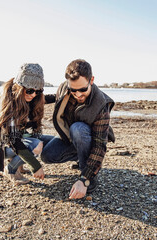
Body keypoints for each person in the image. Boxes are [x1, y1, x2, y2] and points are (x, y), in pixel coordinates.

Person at [41, 59, 115, 199]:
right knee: (46, 156)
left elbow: (100, 146)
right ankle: (81, 158)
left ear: (91, 80)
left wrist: (84, 179)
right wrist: (29, 98)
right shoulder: (64, 88)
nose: (78, 94)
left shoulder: (101, 105)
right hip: (70, 136)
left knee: (78, 129)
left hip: (90, 139)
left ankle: (89, 172)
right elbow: (54, 98)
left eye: (82, 89)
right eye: (73, 90)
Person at [0, 63, 54, 185]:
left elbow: (45, 99)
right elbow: (13, 140)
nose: (33, 95)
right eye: (30, 90)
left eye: (38, 91)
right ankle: (10, 169)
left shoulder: (31, 96)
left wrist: (64, 94)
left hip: (20, 137)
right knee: (37, 145)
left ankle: (19, 166)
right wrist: (35, 165)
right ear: (20, 86)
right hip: (3, 145)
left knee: (52, 140)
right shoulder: (8, 101)